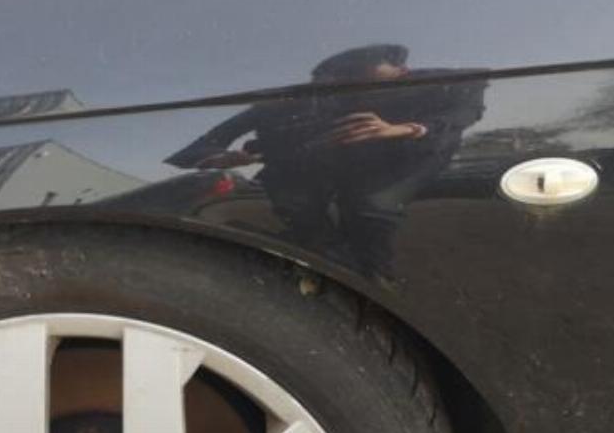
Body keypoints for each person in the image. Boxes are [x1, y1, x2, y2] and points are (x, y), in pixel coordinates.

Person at [165, 44, 487, 278]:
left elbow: (465, 111)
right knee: (285, 202)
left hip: (406, 161)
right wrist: (223, 157)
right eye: (334, 81)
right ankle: (319, 256)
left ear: (401, 72)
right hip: (305, 173)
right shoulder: (286, 101)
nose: (345, 91)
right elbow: (203, 145)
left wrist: (404, 129)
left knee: (371, 206)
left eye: (359, 79)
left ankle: (376, 277)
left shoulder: (444, 83)